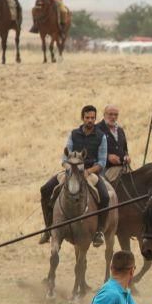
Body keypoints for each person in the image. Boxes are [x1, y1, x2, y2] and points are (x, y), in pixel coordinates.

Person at [39, 105, 109, 246]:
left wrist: (88, 171)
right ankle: (48, 228)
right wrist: (69, 168)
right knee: (45, 189)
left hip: (90, 172)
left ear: (95, 119)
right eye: (87, 118)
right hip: (71, 171)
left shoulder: (101, 137)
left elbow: (102, 162)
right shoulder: (73, 134)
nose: (90, 120)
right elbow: (64, 159)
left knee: (105, 196)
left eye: (93, 118)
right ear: (82, 118)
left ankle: (99, 232)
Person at [97, 104, 130, 182]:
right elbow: (91, 151)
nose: (113, 117)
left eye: (116, 115)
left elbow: (125, 150)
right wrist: (107, 157)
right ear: (104, 114)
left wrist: (126, 157)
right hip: (103, 170)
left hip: (122, 168)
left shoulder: (120, 130)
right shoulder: (97, 130)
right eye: (110, 114)